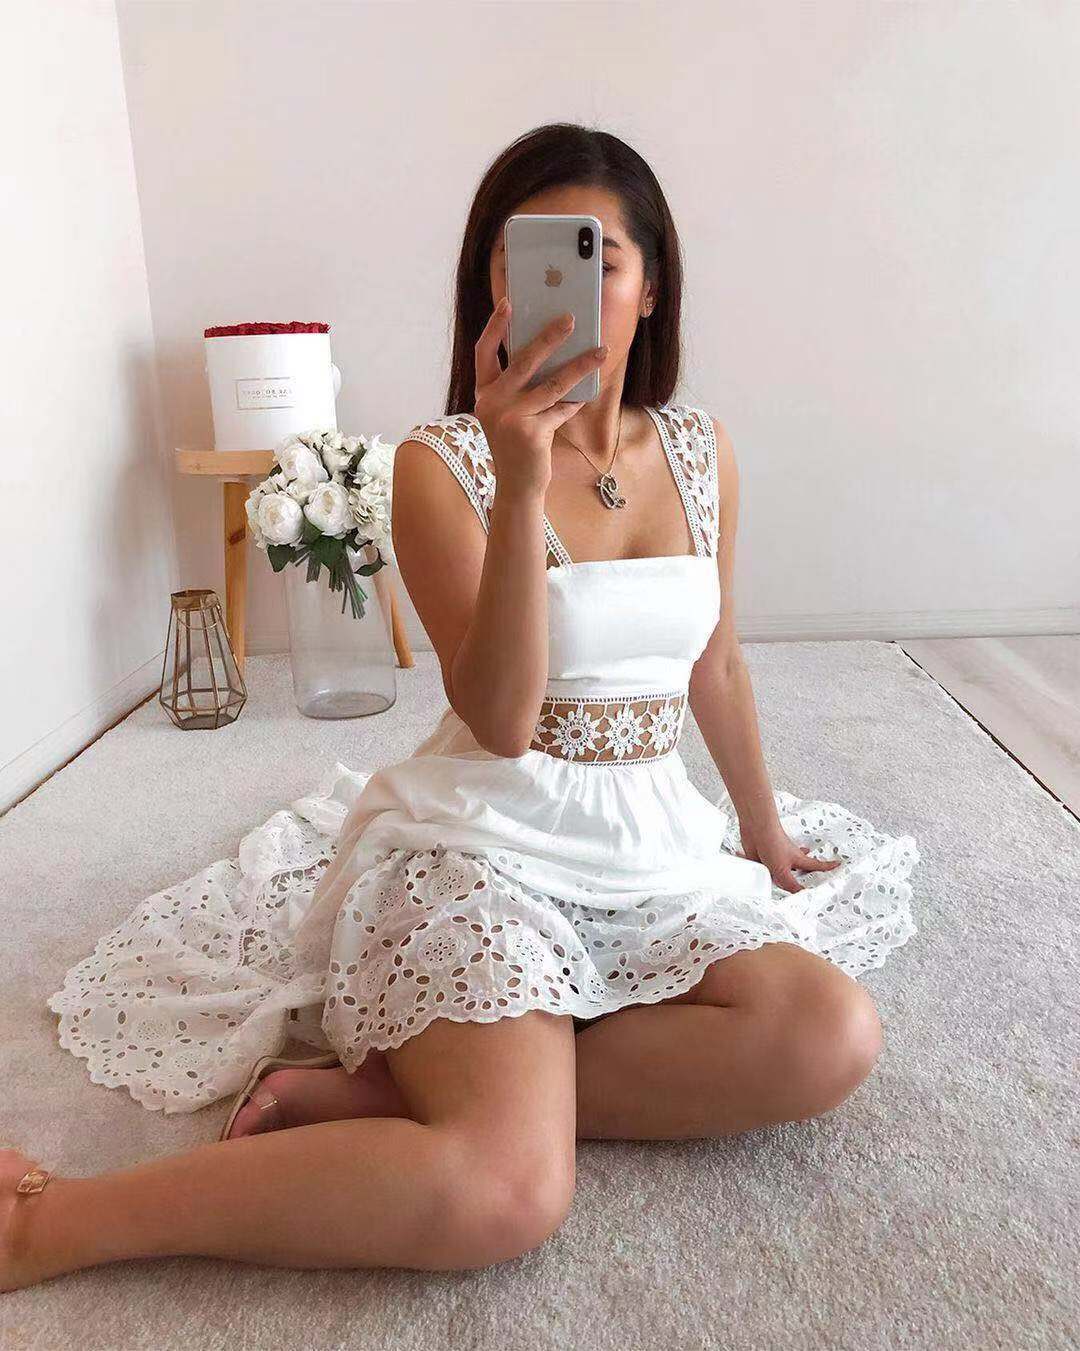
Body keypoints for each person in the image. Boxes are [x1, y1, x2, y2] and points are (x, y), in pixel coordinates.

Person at [3, 122, 918, 1291]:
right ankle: (56, 1217)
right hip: (488, 847)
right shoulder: (440, 466)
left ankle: (398, 1090)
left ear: (651, 288)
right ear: (489, 291)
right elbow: (502, 718)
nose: (556, 294)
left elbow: (718, 665)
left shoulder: (701, 450)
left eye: (599, 260)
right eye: (519, 263)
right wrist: (521, 476)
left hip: (652, 848)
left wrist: (763, 828)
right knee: (506, 1188)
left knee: (831, 1036)